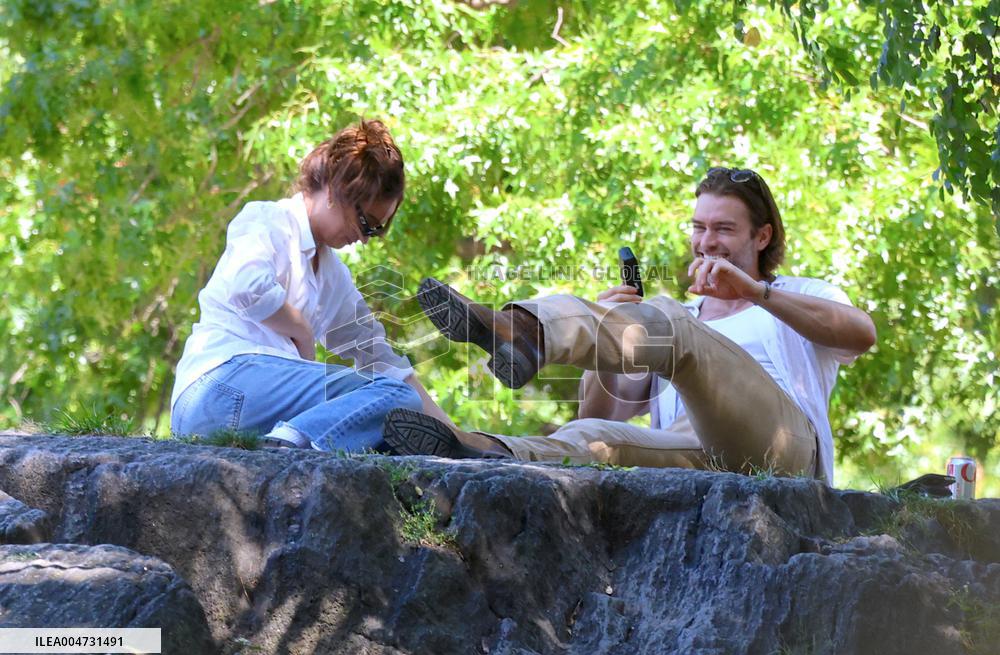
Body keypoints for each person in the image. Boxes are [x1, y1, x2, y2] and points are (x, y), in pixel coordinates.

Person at [381, 167, 877, 481]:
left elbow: (862, 334)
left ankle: (524, 329)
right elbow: (604, 413)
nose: (707, 242)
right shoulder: (683, 320)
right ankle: (473, 451)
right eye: (699, 227)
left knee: (670, 319)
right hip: (695, 453)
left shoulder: (799, 295)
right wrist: (612, 328)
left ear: (762, 236)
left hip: (783, 449)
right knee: (592, 435)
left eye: (724, 229)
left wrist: (755, 292)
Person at [171, 119, 449, 452]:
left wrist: (455, 436)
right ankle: (288, 448)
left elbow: (377, 355)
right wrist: (301, 330)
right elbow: (246, 286)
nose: (364, 239)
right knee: (394, 400)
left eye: (375, 231)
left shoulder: (332, 274)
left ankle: (288, 442)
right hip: (218, 386)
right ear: (336, 190)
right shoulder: (267, 220)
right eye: (365, 223)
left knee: (395, 421)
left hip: (256, 412)